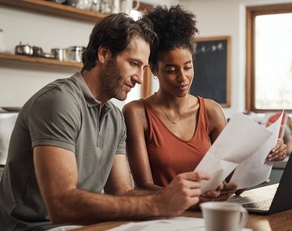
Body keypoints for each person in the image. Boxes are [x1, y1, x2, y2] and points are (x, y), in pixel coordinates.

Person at [0, 13, 212, 231]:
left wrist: (188, 197)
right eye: (133, 64)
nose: (139, 77)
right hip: (33, 227)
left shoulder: (114, 116)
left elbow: (123, 192)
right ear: (104, 53)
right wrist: (159, 203)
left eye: (144, 68)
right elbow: (61, 204)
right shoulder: (59, 102)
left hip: (83, 226)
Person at [123, 5, 288, 203]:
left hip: (208, 215)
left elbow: (234, 182)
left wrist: (266, 154)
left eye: (188, 67)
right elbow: (143, 187)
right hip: (163, 217)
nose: (182, 78)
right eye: (171, 70)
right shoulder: (137, 112)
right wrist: (195, 199)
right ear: (154, 69)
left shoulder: (211, 111)